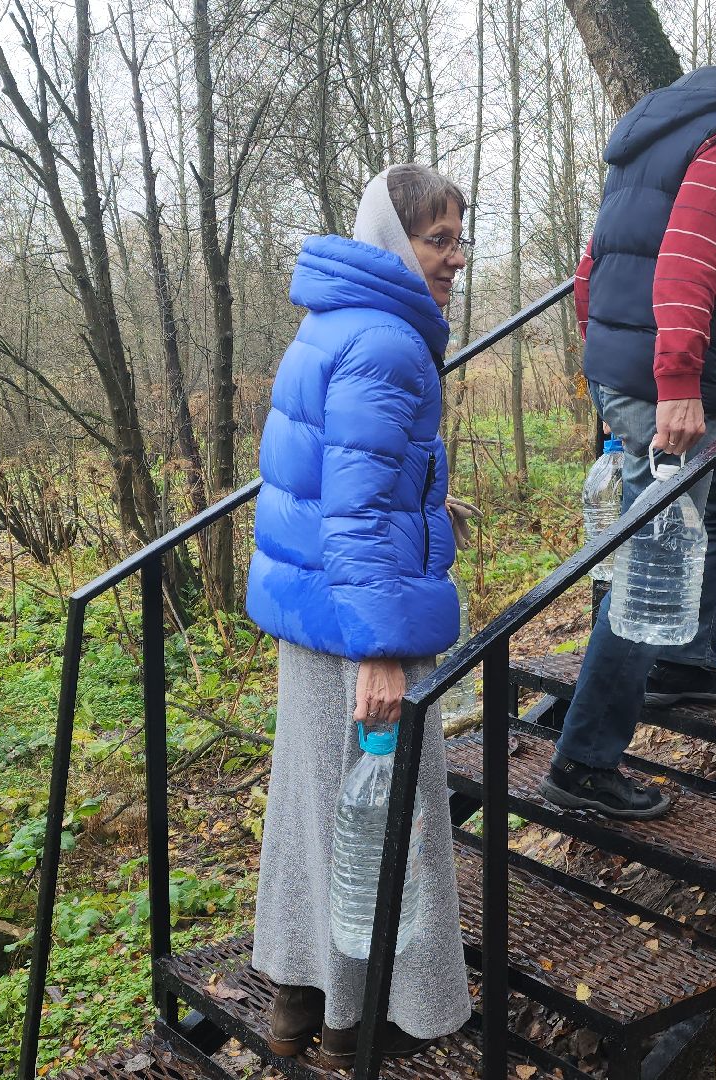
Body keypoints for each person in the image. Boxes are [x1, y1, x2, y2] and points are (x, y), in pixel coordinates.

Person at [542, 19, 716, 820]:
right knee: (654, 551)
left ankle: (686, 659)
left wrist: (603, 350)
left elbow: (593, 263)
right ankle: (585, 760)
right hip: (664, 379)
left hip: (624, 363)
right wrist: (678, 382)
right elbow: (691, 255)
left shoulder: (661, 127)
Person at [244, 164, 473, 1066]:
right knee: (381, 822)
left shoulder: (334, 319)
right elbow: (357, 507)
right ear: (393, 239)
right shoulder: (388, 340)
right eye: (437, 238)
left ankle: (296, 1005)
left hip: (313, 609)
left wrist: (428, 505)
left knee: (310, 808)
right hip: (356, 628)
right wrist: (382, 650)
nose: (456, 256)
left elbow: (352, 473)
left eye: (460, 236)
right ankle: (358, 1030)